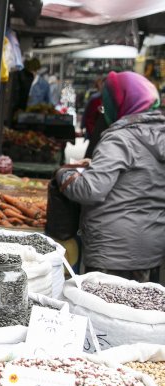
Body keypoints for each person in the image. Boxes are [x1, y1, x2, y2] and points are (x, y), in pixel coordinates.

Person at [57, 71, 164, 283]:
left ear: (121, 101)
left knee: (102, 312)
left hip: (113, 250)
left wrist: (64, 173)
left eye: (106, 104)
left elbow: (91, 190)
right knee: (136, 311)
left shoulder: (120, 138)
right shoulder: (159, 134)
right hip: (151, 246)